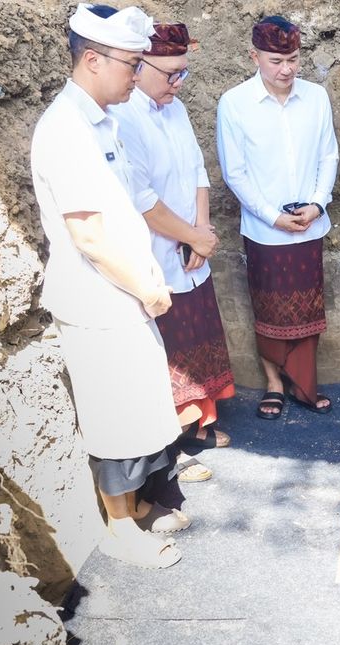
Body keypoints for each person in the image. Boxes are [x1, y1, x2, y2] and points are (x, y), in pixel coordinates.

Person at [30, 3, 189, 569]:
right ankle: (119, 528)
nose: (137, 72)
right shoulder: (65, 129)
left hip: (123, 292)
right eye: (130, 62)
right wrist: (146, 289)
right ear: (93, 60)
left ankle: (139, 507)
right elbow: (91, 235)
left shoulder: (102, 119)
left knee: (138, 408)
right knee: (115, 416)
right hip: (99, 298)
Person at [111, 21, 235, 484]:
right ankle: (174, 440)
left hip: (189, 243)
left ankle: (199, 424)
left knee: (196, 329)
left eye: (183, 73)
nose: (178, 83)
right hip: (157, 249)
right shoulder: (125, 117)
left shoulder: (175, 108)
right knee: (169, 345)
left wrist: (201, 230)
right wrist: (190, 235)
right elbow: (142, 198)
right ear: (138, 68)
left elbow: (197, 168)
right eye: (170, 74)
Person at [216, 15, 339, 419]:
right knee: (269, 309)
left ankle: (306, 384)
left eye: (293, 58)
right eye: (275, 60)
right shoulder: (234, 103)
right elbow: (235, 172)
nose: (286, 69)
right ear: (255, 56)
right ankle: (273, 383)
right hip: (264, 229)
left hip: (310, 223)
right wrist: (272, 217)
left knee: (307, 307)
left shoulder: (316, 97)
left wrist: (318, 204)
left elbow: (328, 155)